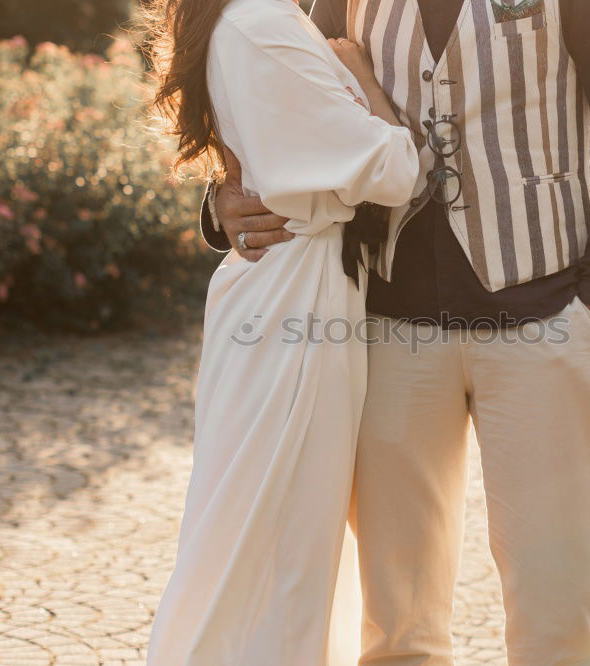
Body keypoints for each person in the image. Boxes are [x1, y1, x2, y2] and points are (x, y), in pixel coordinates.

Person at [201, 0, 590, 662]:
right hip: (390, 334)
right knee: (398, 626)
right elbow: (287, 108)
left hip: (543, 324)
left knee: (557, 611)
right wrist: (221, 201)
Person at [141, 0, 420, 662]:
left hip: (296, 288)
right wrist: (367, 83)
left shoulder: (270, 19)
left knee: (279, 536)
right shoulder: (261, 25)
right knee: (270, 538)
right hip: (293, 299)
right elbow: (394, 169)